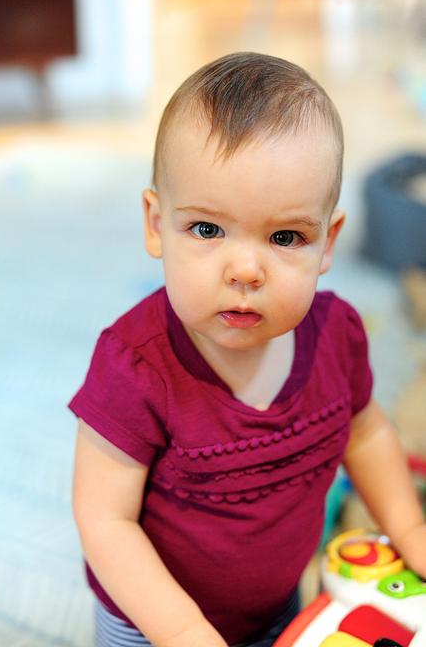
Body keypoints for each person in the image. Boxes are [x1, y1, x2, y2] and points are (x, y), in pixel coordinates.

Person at [69, 52, 426, 647]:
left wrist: (410, 529)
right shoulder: (134, 366)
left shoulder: (337, 335)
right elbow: (104, 520)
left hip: (280, 605)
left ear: (327, 241)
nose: (245, 269)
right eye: (207, 230)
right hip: (151, 625)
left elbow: (365, 433)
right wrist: (183, 631)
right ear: (157, 225)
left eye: (285, 237)